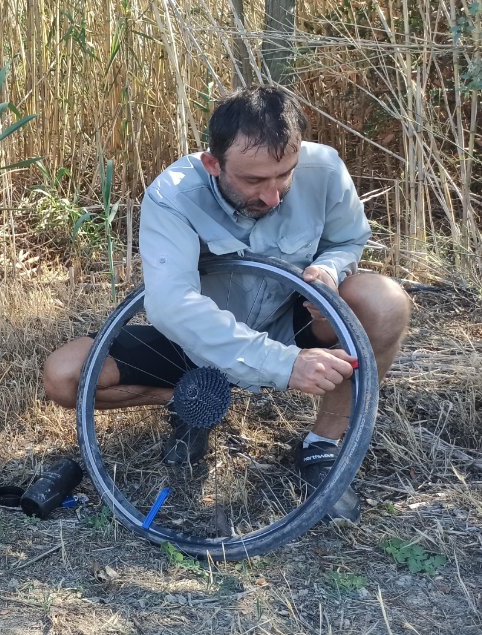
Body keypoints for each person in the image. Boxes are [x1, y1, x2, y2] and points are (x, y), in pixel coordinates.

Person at [42, 85, 411, 523]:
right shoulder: (174, 195)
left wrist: (329, 271)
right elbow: (171, 304)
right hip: (192, 342)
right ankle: (192, 403)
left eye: (285, 175)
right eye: (254, 181)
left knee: (385, 302)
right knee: (64, 377)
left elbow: (348, 239)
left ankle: (322, 445)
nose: (273, 195)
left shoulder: (326, 168)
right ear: (213, 164)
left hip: (284, 322)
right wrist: (281, 364)